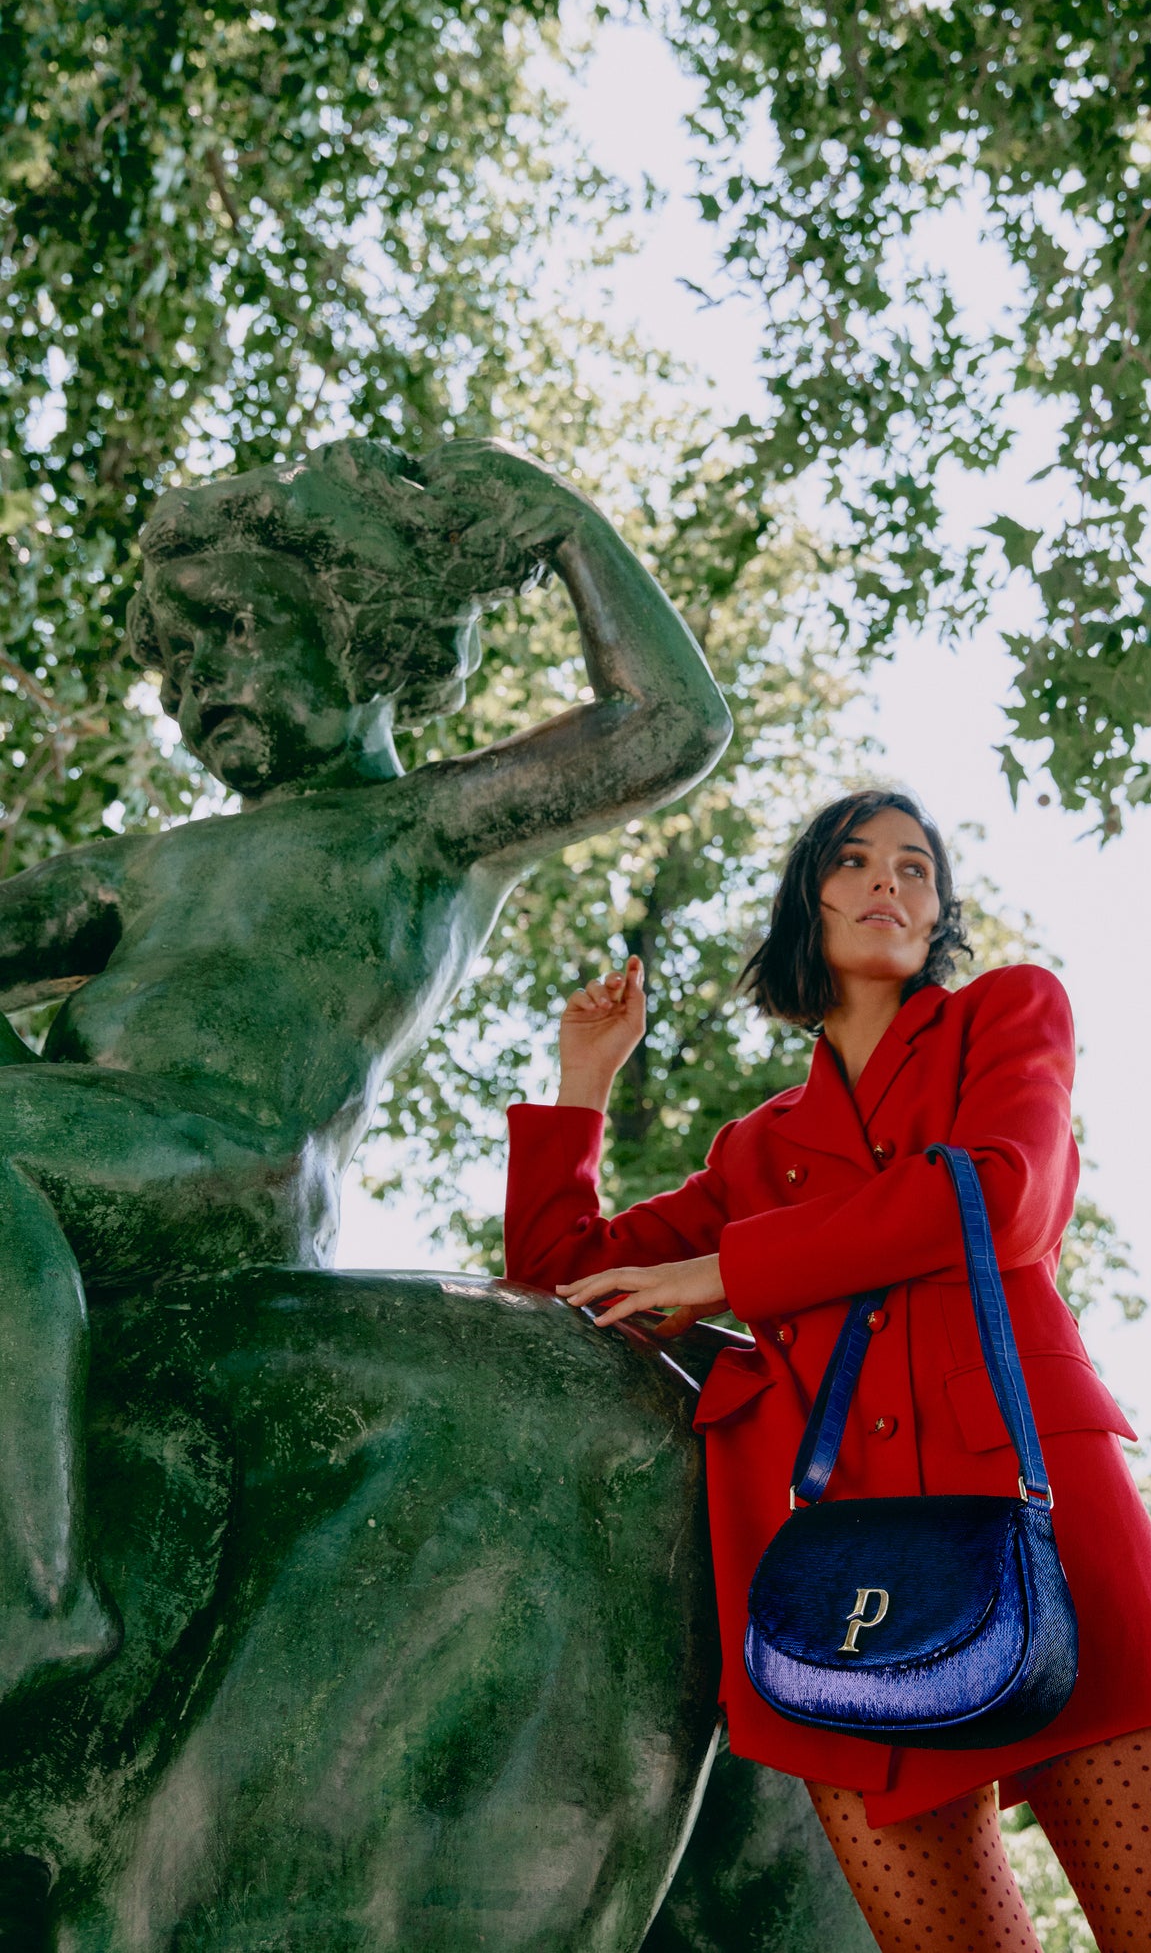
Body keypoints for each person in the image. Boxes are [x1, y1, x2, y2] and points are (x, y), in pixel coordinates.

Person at [0, 434, 730, 1704]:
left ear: (357, 632)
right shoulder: (148, 863)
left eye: (226, 634)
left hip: (217, 1157)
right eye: (173, 669)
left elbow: (668, 725)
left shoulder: (425, 827)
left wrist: (564, 528)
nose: (192, 690)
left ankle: (34, 1600)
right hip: (76, 1135)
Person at [504, 789, 1151, 1953]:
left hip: (1042, 1512)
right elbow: (558, 1278)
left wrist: (732, 1271)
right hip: (838, 1579)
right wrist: (585, 1080)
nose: (886, 882)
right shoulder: (752, 1152)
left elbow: (997, 1198)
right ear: (808, 901)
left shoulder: (1009, 1015)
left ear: (937, 912)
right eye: (853, 861)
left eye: (915, 868)